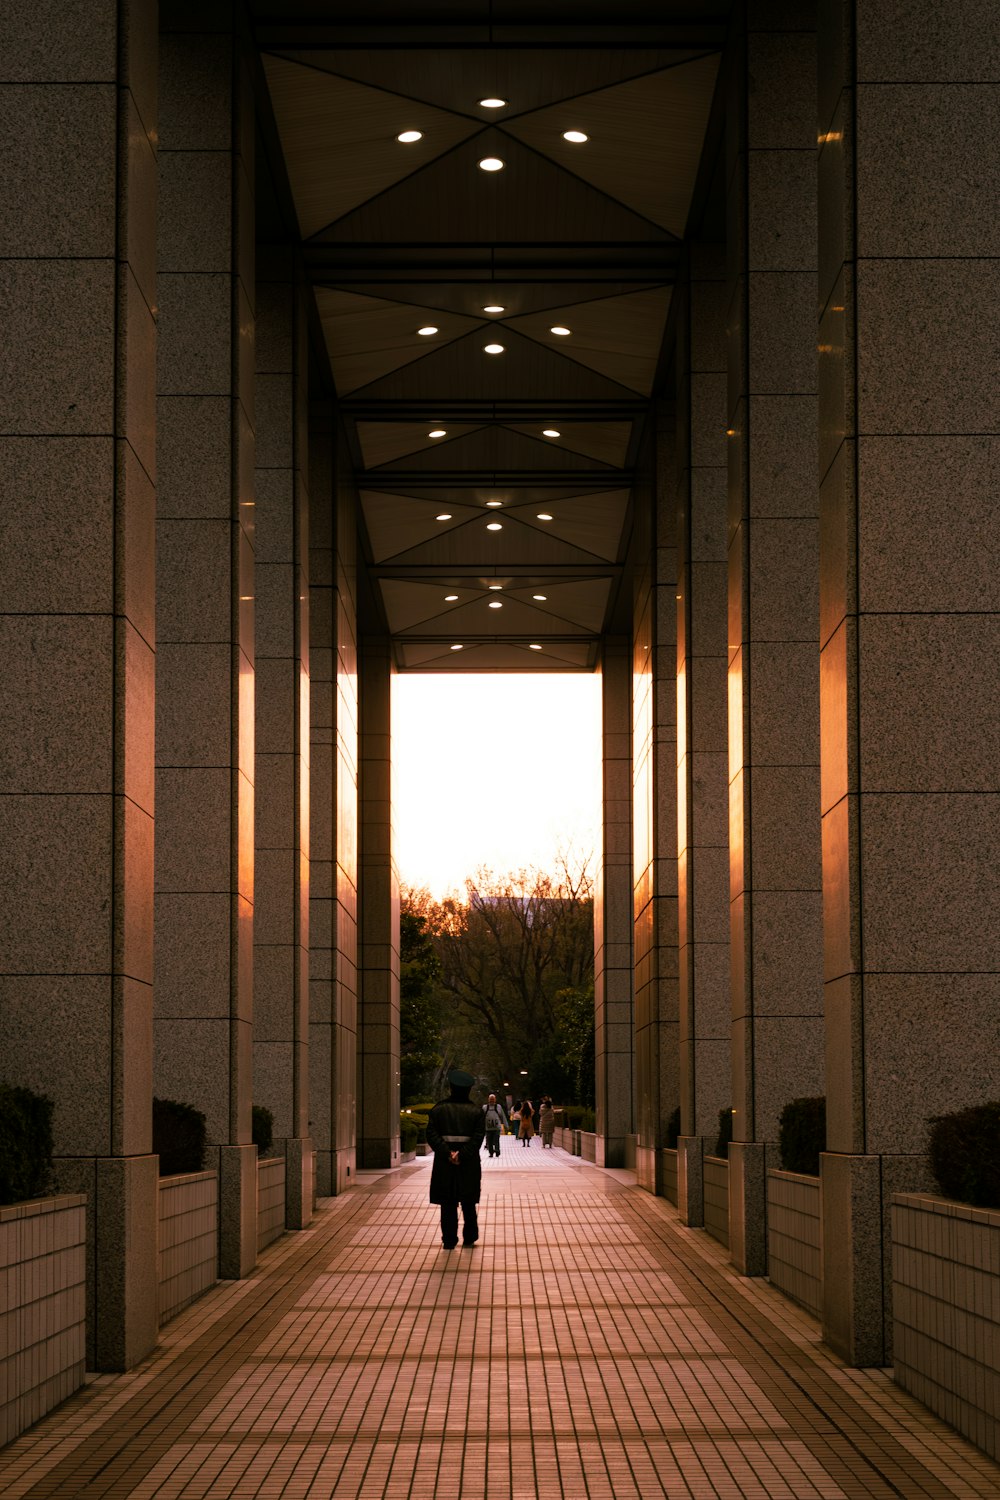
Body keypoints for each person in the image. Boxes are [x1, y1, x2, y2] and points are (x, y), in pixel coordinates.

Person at [426, 1068, 486, 1249]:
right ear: (468, 1090)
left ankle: (449, 1239)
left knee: (447, 1202)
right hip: (468, 1164)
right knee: (468, 1201)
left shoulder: (439, 1110)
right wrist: (462, 1154)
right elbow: (477, 1138)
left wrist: (447, 1152)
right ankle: (470, 1236)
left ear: (451, 1088)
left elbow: (431, 1134)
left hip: (444, 1164)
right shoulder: (476, 1112)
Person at [482, 1093, 508, 1158]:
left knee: (496, 1140)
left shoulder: (498, 1107)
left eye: (493, 1099)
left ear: (495, 1100)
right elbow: (481, 1117)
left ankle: (497, 1151)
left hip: (496, 1127)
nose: (492, 1100)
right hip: (488, 1128)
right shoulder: (485, 1107)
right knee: (489, 1141)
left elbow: (503, 1116)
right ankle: (491, 1152)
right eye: (491, 1099)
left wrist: (506, 1125)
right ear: (488, 1100)